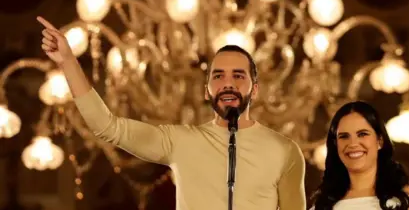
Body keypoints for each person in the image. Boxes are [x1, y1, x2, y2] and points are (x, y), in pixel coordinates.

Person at [37, 16, 306, 210]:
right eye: (218, 76)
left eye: (238, 76)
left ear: (255, 89)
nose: (228, 83)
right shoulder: (180, 142)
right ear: (206, 90)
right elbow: (106, 126)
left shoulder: (284, 150)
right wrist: (69, 62)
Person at [310, 101, 409, 210]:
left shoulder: (408, 200)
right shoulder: (323, 205)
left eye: (362, 134)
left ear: (379, 141)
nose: (353, 143)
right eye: (344, 136)